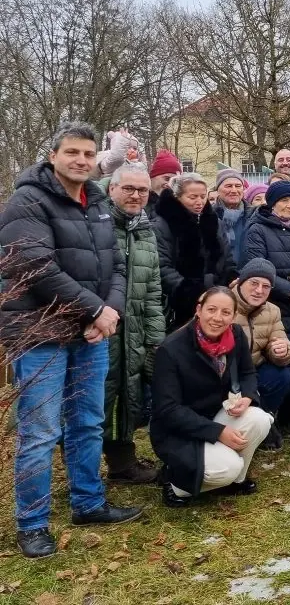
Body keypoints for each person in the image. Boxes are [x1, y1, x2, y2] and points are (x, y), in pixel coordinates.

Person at [0, 122, 141, 558]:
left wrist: (107, 312)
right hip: (40, 333)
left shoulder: (96, 200)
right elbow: (34, 266)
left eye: (88, 153)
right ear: (53, 155)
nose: (81, 160)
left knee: (87, 422)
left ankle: (88, 502)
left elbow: (114, 264)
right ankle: (33, 523)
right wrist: (95, 310)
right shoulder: (27, 200)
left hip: (90, 333)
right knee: (40, 432)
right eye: (72, 153)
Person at [150, 287, 274, 507]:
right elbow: (168, 409)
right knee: (227, 467)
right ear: (199, 310)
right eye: (212, 310)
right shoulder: (171, 349)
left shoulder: (235, 334)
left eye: (226, 312)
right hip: (179, 431)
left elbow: (247, 373)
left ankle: (236, 480)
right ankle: (176, 484)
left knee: (260, 419)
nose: (218, 318)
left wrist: (247, 395)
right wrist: (218, 432)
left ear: (234, 315)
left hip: (217, 413)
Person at [243, 180, 290, 433]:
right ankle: (273, 415)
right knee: (279, 356)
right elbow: (259, 268)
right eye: (283, 201)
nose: (289, 205)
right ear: (272, 203)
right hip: (276, 303)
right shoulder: (257, 229)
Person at [104, 163, 165, 484]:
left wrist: (155, 337)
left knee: (128, 393)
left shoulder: (144, 230)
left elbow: (153, 289)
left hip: (136, 328)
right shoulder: (97, 224)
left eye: (142, 190)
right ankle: (81, 473)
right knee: (99, 399)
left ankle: (122, 464)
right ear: (112, 188)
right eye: (128, 188)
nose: (136, 195)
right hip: (101, 328)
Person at [153, 173, 236, 331]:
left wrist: (230, 277)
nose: (199, 202)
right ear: (177, 197)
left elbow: (227, 256)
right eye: (192, 197)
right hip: (180, 303)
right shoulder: (163, 224)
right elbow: (161, 266)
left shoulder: (214, 221)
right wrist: (192, 292)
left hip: (216, 296)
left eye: (203, 196)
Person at [231, 259, 290, 451]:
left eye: (266, 286)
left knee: (281, 375)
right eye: (254, 283)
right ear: (241, 282)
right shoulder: (223, 302)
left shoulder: (272, 311)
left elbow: (281, 341)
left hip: (253, 371)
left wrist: (282, 350)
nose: (259, 290)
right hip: (225, 375)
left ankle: (264, 419)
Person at [214, 168, 250, 267]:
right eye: (228, 186)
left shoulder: (254, 215)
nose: (234, 190)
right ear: (218, 190)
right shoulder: (209, 216)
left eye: (238, 186)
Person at [148, 148, 182, 215]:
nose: (169, 184)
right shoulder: (140, 202)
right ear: (153, 177)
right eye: (167, 178)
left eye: (174, 181)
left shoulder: (181, 206)